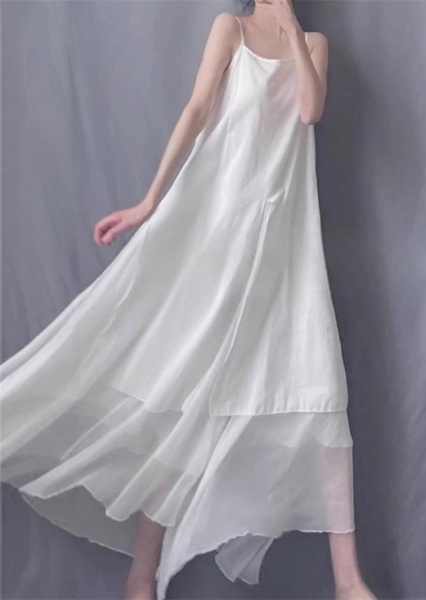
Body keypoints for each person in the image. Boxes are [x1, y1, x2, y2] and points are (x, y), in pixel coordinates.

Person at [0, 1, 376, 599]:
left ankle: (349, 584)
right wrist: (150, 201)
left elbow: (308, 110)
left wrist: (292, 33)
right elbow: (198, 110)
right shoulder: (230, 30)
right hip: (217, 243)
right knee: (183, 398)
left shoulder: (315, 45)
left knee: (319, 393)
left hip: (285, 252)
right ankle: (141, 577)